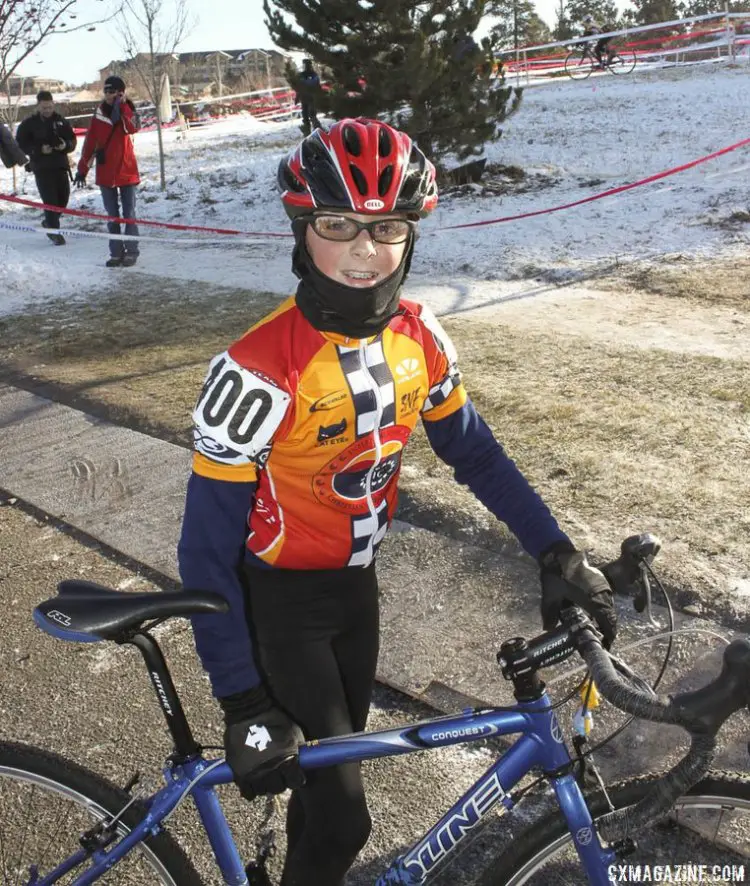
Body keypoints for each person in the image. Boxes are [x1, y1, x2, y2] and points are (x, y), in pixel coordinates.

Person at [178, 118, 617, 886]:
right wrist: (240, 695)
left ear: (411, 234)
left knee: (322, 800)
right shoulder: (254, 368)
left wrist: (556, 550)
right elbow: (204, 549)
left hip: (357, 592)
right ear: (301, 227)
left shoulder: (422, 338)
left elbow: (474, 451)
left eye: (386, 228)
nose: (361, 250)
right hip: (279, 605)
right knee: (347, 817)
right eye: (336, 225)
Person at [74, 75, 141, 268]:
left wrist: (122, 106)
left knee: (129, 214)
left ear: (121, 93)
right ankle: (116, 252)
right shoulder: (98, 115)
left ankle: (132, 251)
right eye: (106, 91)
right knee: (112, 216)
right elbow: (89, 144)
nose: (109, 95)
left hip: (126, 170)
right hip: (105, 173)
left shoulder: (128, 110)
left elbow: (132, 128)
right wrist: (82, 170)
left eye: (113, 92)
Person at [15, 91, 77, 246]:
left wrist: (65, 145)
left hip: (60, 166)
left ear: (53, 104)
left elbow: (72, 140)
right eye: (44, 108)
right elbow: (21, 144)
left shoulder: (60, 121)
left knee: (62, 201)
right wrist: (39, 150)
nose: (47, 110)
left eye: (49, 107)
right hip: (42, 168)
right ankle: (54, 233)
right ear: (38, 106)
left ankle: (49, 222)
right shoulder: (29, 124)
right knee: (50, 201)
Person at [295, 58, 322, 136]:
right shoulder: (304, 75)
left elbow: (317, 86)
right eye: (305, 65)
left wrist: (297, 97)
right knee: (307, 116)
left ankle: (317, 132)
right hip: (306, 98)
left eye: (307, 65)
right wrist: (297, 97)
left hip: (310, 98)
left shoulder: (313, 75)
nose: (306, 66)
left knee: (311, 115)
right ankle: (308, 133)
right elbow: (299, 87)